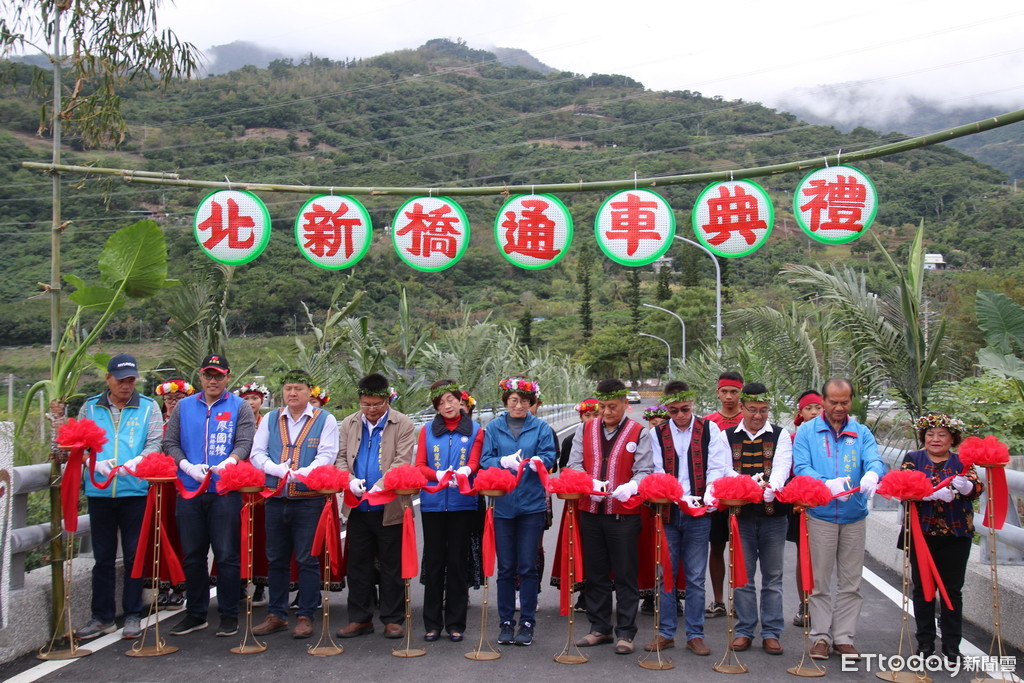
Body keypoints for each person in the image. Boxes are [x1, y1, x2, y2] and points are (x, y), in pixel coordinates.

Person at [793, 377, 886, 660]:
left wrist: (873, 473)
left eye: (844, 402)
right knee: (819, 580)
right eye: (833, 402)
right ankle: (820, 636)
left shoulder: (861, 432)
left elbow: (874, 459)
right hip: (820, 514)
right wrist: (826, 484)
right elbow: (801, 467)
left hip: (854, 515)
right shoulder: (808, 431)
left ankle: (844, 637)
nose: (839, 407)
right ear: (823, 401)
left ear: (851, 401)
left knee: (851, 581)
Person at [163, 353, 256, 638]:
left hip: (224, 490)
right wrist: (186, 466)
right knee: (193, 555)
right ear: (200, 376)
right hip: (189, 489)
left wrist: (230, 462)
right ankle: (195, 613)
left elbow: (245, 442)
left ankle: (229, 614)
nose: (212, 381)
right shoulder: (184, 406)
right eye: (207, 375)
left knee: (226, 555)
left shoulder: (239, 406)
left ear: (228, 377)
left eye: (218, 376)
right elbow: (170, 442)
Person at [75, 354, 163, 641]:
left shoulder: (148, 407)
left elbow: (155, 443)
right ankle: (102, 616)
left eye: (131, 380)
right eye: (121, 380)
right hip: (99, 491)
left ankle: (133, 613)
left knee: (135, 555)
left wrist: (137, 462)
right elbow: (79, 444)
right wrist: (92, 461)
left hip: (135, 491)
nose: (126, 385)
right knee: (102, 557)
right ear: (108, 379)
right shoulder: (90, 407)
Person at [644, 381, 733, 657]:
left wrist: (707, 495)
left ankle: (695, 634)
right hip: (669, 511)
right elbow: (657, 469)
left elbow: (717, 466)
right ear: (667, 409)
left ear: (692, 404)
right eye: (674, 411)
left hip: (699, 511)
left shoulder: (710, 429)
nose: (680, 415)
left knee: (695, 576)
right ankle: (666, 632)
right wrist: (673, 495)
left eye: (685, 409)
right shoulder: (657, 433)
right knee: (665, 575)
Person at [248, 370, 339, 639]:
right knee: (276, 558)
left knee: (307, 559)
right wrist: (276, 469)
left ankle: (305, 614)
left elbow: (327, 455)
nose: (292, 393)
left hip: (309, 500)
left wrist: (301, 474)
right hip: (275, 498)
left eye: (298, 388)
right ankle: (276, 613)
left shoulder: (325, 419)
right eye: (288, 388)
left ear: (310, 391)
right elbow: (257, 453)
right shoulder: (272, 418)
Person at [566, 378, 653, 655]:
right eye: (602, 406)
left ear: (626, 404)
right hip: (591, 511)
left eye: (612, 406)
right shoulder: (585, 429)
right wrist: (586, 483)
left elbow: (645, 470)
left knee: (626, 574)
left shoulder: (639, 432)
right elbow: (574, 463)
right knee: (596, 573)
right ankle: (599, 628)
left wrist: (632, 486)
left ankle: (625, 632)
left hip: (623, 515)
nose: (606, 412)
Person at [335, 373, 416, 640]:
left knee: (392, 565)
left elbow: (402, 460)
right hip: (357, 506)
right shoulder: (349, 423)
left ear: (387, 400)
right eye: (365, 404)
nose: (370, 410)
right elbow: (340, 458)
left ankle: (393, 619)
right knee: (358, 564)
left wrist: (381, 485)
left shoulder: (402, 423)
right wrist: (349, 480)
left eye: (376, 405)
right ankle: (360, 618)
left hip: (390, 507)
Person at [479, 376, 557, 647]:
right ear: (506, 401)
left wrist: (538, 461)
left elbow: (550, 455)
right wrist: (502, 461)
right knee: (505, 567)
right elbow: (485, 459)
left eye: (524, 401)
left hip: (532, 506)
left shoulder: (541, 427)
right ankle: (505, 622)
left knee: (527, 566)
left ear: (531, 402)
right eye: (514, 400)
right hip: (503, 505)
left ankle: (527, 622)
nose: (519, 405)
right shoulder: (494, 427)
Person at [900, 413, 983, 664]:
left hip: (956, 534)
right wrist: (930, 494)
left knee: (952, 590)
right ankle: (925, 642)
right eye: (930, 434)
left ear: (952, 438)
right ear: (923, 437)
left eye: (942, 435)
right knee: (923, 588)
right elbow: (902, 488)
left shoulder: (962, 461)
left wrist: (966, 487)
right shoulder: (913, 459)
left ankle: (952, 645)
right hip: (921, 534)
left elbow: (976, 488)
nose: (935, 439)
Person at [724, 383, 792, 656]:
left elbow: (782, 467)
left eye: (763, 410)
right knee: (743, 576)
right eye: (752, 409)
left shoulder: (780, 434)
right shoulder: (727, 436)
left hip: (773, 516)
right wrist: (747, 483)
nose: (758, 416)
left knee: (773, 577)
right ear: (742, 408)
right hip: (740, 517)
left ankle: (772, 632)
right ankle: (744, 630)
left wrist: (771, 486)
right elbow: (723, 469)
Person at [415, 379, 484, 642]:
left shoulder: (476, 430)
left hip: (462, 502)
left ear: (460, 400)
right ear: (436, 406)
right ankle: (432, 624)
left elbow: (475, 462)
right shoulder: (426, 431)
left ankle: (456, 624)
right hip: (432, 503)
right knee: (434, 563)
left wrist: (466, 470)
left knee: (457, 562)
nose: (447, 405)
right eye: (441, 402)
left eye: (451, 399)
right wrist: (437, 475)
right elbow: (420, 465)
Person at [151, 378, 195, 611]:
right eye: (169, 399)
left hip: (183, 482)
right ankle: (162, 586)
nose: (173, 402)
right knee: (160, 533)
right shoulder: (156, 422)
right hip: (160, 486)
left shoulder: (191, 422)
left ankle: (180, 586)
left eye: (178, 399)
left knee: (181, 534)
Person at [704, 370, 744, 619]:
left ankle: (741, 600)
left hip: (744, 495)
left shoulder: (749, 418)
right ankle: (718, 600)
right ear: (717, 393)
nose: (729, 397)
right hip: (717, 495)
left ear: (741, 393)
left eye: (734, 392)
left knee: (741, 549)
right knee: (716, 547)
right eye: (725, 391)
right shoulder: (708, 422)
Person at [553, 398, 599, 611]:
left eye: (595, 415)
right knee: (580, 545)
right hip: (579, 500)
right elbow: (565, 471)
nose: (591, 419)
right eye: (587, 415)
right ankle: (583, 591)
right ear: (581, 417)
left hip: (602, 497)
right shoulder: (571, 440)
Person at [788, 390, 823, 627]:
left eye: (818, 407)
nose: (814, 412)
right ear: (800, 412)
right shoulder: (792, 439)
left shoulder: (831, 438)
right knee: (804, 555)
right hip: (801, 503)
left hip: (827, 502)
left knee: (824, 558)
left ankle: (822, 605)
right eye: (809, 408)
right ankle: (805, 604)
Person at [235, 381, 271, 607]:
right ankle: (238, 582)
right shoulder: (234, 422)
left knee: (260, 536)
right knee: (236, 537)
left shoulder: (267, 424)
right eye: (246, 399)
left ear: (262, 401)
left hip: (261, 489)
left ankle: (260, 585)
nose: (250, 403)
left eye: (254, 398)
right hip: (238, 486)